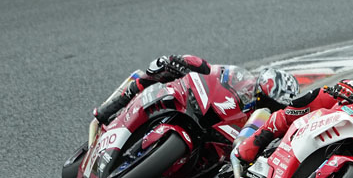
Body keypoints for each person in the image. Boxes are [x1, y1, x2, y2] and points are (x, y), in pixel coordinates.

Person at [93, 55, 300, 125]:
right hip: (205, 108)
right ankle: (114, 105)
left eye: (273, 106)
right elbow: (211, 69)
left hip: (217, 146)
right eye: (265, 99)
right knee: (163, 69)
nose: (267, 107)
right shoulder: (241, 80)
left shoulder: (265, 122)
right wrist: (182, 61)